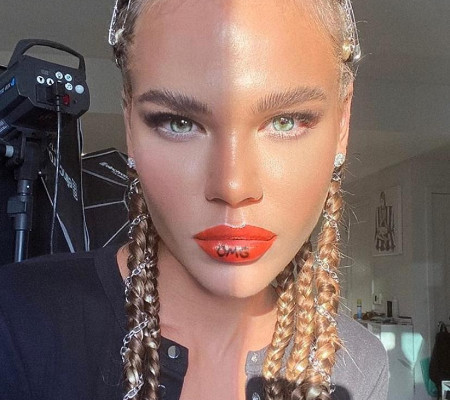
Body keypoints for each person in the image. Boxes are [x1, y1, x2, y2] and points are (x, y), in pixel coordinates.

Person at [0, 0, 389, 399]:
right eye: (179, 122)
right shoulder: (17, 321)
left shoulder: (358, 367)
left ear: (342, 123)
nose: (232, 186)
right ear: (130, 124)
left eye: (284, 121)